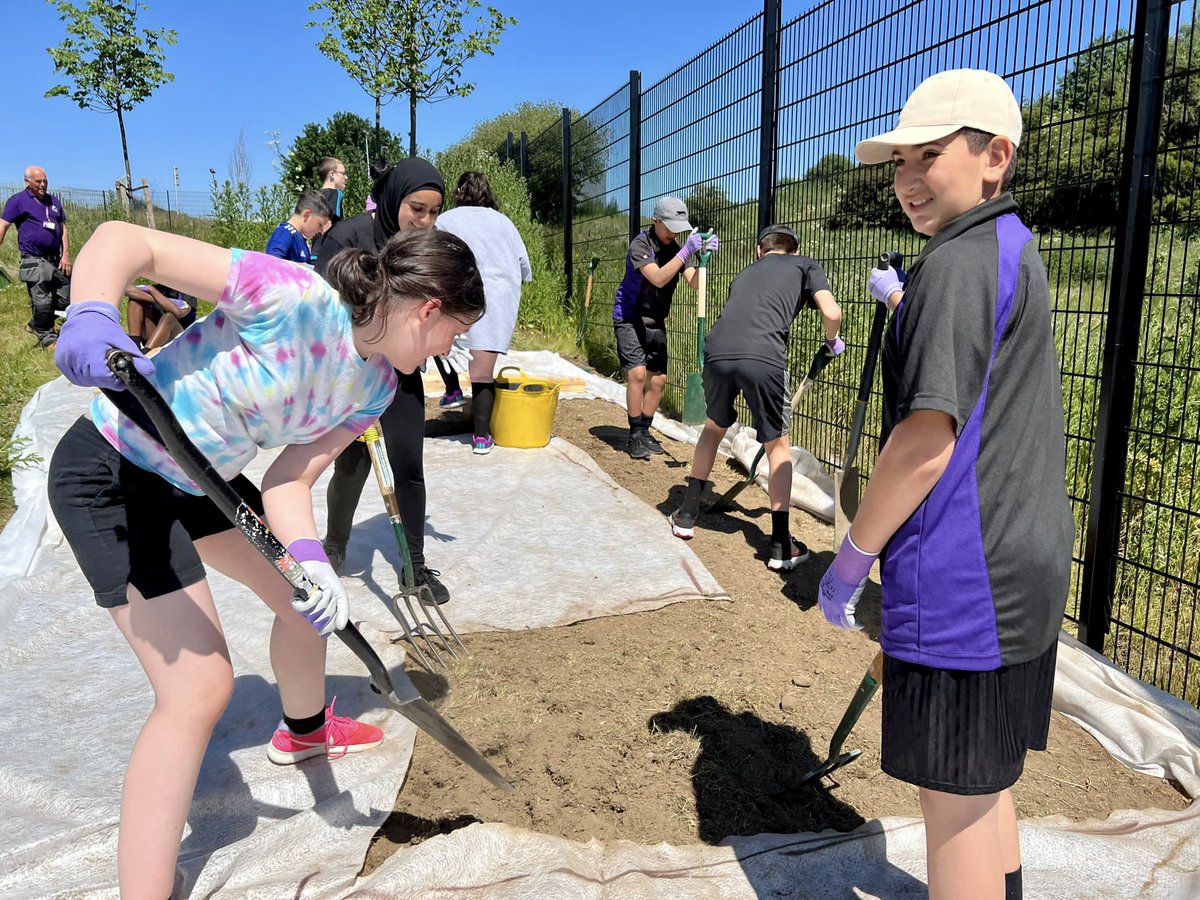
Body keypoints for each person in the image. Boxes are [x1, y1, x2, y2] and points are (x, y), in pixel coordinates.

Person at [47, 220, 484, 898]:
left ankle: (304, 734)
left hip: (201, 480)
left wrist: (309, 561)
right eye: (454, 335)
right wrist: (92, 314)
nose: (447, 352)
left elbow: (287, 481)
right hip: (116, 466)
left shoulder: (373, 388)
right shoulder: (288, 295)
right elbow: (125, 240)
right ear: (427, 308)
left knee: (303, 607)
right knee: (198, 692)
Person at [817, 69, 1072, 900]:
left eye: (930, 155)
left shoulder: (955, 264)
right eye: (899, 162)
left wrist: (854, 556)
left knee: (952, 806)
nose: (907, 179)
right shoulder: (1007, 246)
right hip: (1019, 567)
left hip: (966, 581)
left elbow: (925, 440)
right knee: (983, 782)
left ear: (996, 156)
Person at [316, 158, 453, 603]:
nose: (425, 222)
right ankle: (334, 546)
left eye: (434, 212)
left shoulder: (425, 246)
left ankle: (415, 567)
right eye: (417, 209)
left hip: (402, 368)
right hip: (351, 370)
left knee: (408, 465)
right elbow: (325, 313)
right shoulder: (347, 237)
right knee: (352, 464)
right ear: (394, 199)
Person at [668, 224, 842, 570]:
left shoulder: (745, 273)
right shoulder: (806, 265)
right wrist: (832, 341)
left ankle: (686, 515)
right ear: (794, 250)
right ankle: (780, 545)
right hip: (763, 358)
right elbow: (832, 312)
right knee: (778, 447)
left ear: (759, 251)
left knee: (714, 428)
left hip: (716, 353)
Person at [613, 196, 718, 459]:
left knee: (658, 380)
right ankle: (634, 433)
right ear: (655, 221)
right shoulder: (641, 245)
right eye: (669, 226)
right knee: (637, 374)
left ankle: (646, 431)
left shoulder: (676, 248)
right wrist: (685, 253)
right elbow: (658, 278)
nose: (673, 233)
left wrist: (703, 259)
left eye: (678, 228)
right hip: (629, 316)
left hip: (655, 320)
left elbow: (695, 283)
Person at [436, 171, 533, 454]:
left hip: (457, 295)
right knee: (482, 373)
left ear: (458, 192)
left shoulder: (446, 220)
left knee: (439, 344)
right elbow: (524, 267)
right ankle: (481, 438)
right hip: (496, 301)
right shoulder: (503, 222)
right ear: (487, 192)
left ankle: (452, 388)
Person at [0, 165, 71, 348]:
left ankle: (35, 323)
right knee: (42, 300)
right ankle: (47, 339)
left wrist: (66, 256)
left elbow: (63, 228)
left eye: (45, 181)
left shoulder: (53, 201)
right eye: (38, 181)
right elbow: (3, 225)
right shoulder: (18, 201)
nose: (42, 185)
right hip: (33, 258)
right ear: (27, 182)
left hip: (56, 258)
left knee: (66, 297)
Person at [124, 281, 197, 351]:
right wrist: (157, 297)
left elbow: (178, 312)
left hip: (179, 339)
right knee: (136, 300)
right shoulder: (156, 288)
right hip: (156, 336)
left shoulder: (187, 293)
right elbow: (127, 290)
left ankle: (147, 352)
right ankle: (134, 343)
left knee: (169, 317)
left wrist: (153, 292)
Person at [265, 190, 332, 264]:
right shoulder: (284, 233)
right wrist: (301, 267)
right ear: (307, 215)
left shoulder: (299, 238)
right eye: (320, 224)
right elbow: (272, 263)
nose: (321, 230)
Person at [308, 156, 348, 267]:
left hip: (315, 252)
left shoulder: (316, 196)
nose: (346, 177)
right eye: (343, 173)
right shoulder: (335, 194)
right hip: (330, 253)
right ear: (332, 175)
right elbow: (328, 222)